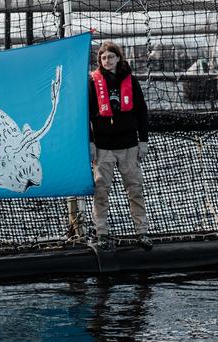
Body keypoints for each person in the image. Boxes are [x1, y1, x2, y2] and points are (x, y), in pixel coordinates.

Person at [88, 41, 153, 251]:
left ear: (118, 58)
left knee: (135, 189)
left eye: (111, 57)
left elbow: (141, 112)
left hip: (128, 146)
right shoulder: (93, 83)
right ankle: (102, 233)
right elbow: (86, 114)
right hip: (103, 146)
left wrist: (143, 141)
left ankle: (142, 232)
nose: (107, 61)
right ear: (100, 61)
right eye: (103, 58)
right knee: (101, 191)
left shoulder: (131, 81)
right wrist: (90, 142)